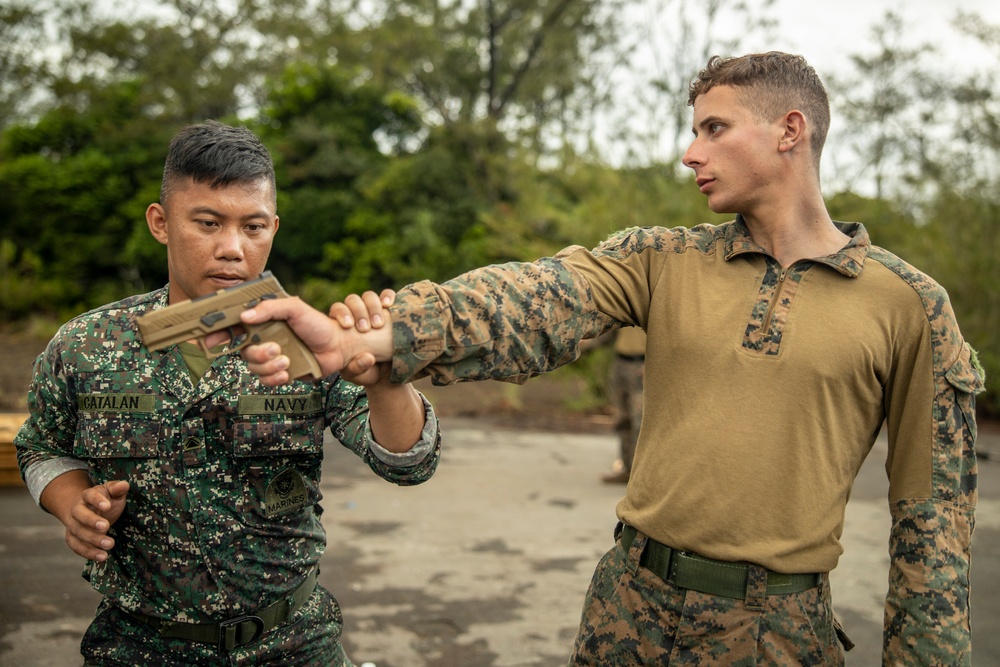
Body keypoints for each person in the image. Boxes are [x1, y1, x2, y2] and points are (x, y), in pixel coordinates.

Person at [237, 52, 985, 665]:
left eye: (714, 129)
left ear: (790, 130)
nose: (690, 152)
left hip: (775, 634)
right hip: (627, 610)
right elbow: (528, 301)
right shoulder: (661, 259)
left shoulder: (908, 305)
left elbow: (933, 526)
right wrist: (374, 338)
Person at [14, 120, 441, 666]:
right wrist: (72, 501)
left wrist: (387, 381)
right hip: (137, 646)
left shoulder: (309, 339)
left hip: (293, 644)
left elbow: (409, 463)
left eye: (254, 227)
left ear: (275, 229)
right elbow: (42, 445)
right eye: (209, 223)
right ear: (161, 222)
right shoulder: (86, 344)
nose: (233, 249)